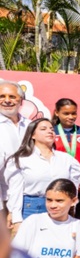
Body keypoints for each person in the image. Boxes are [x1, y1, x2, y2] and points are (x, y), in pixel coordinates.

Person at [5, 118, 80, 232]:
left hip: (61, 210)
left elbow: (74, 185)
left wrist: (71, 207)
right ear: (32, 135)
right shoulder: (21, 159)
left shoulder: (66, 159)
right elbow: (15, 190)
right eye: (43, 129)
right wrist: (16, 218)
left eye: (52, 129)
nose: (50, 131)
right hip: (31, 208)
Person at [0, 79, 31, 212]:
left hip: (29, 196)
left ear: (21, 101)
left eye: (12, 96)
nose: (7, 100)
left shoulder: (31, 125)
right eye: (2, 96)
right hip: (3, 197)